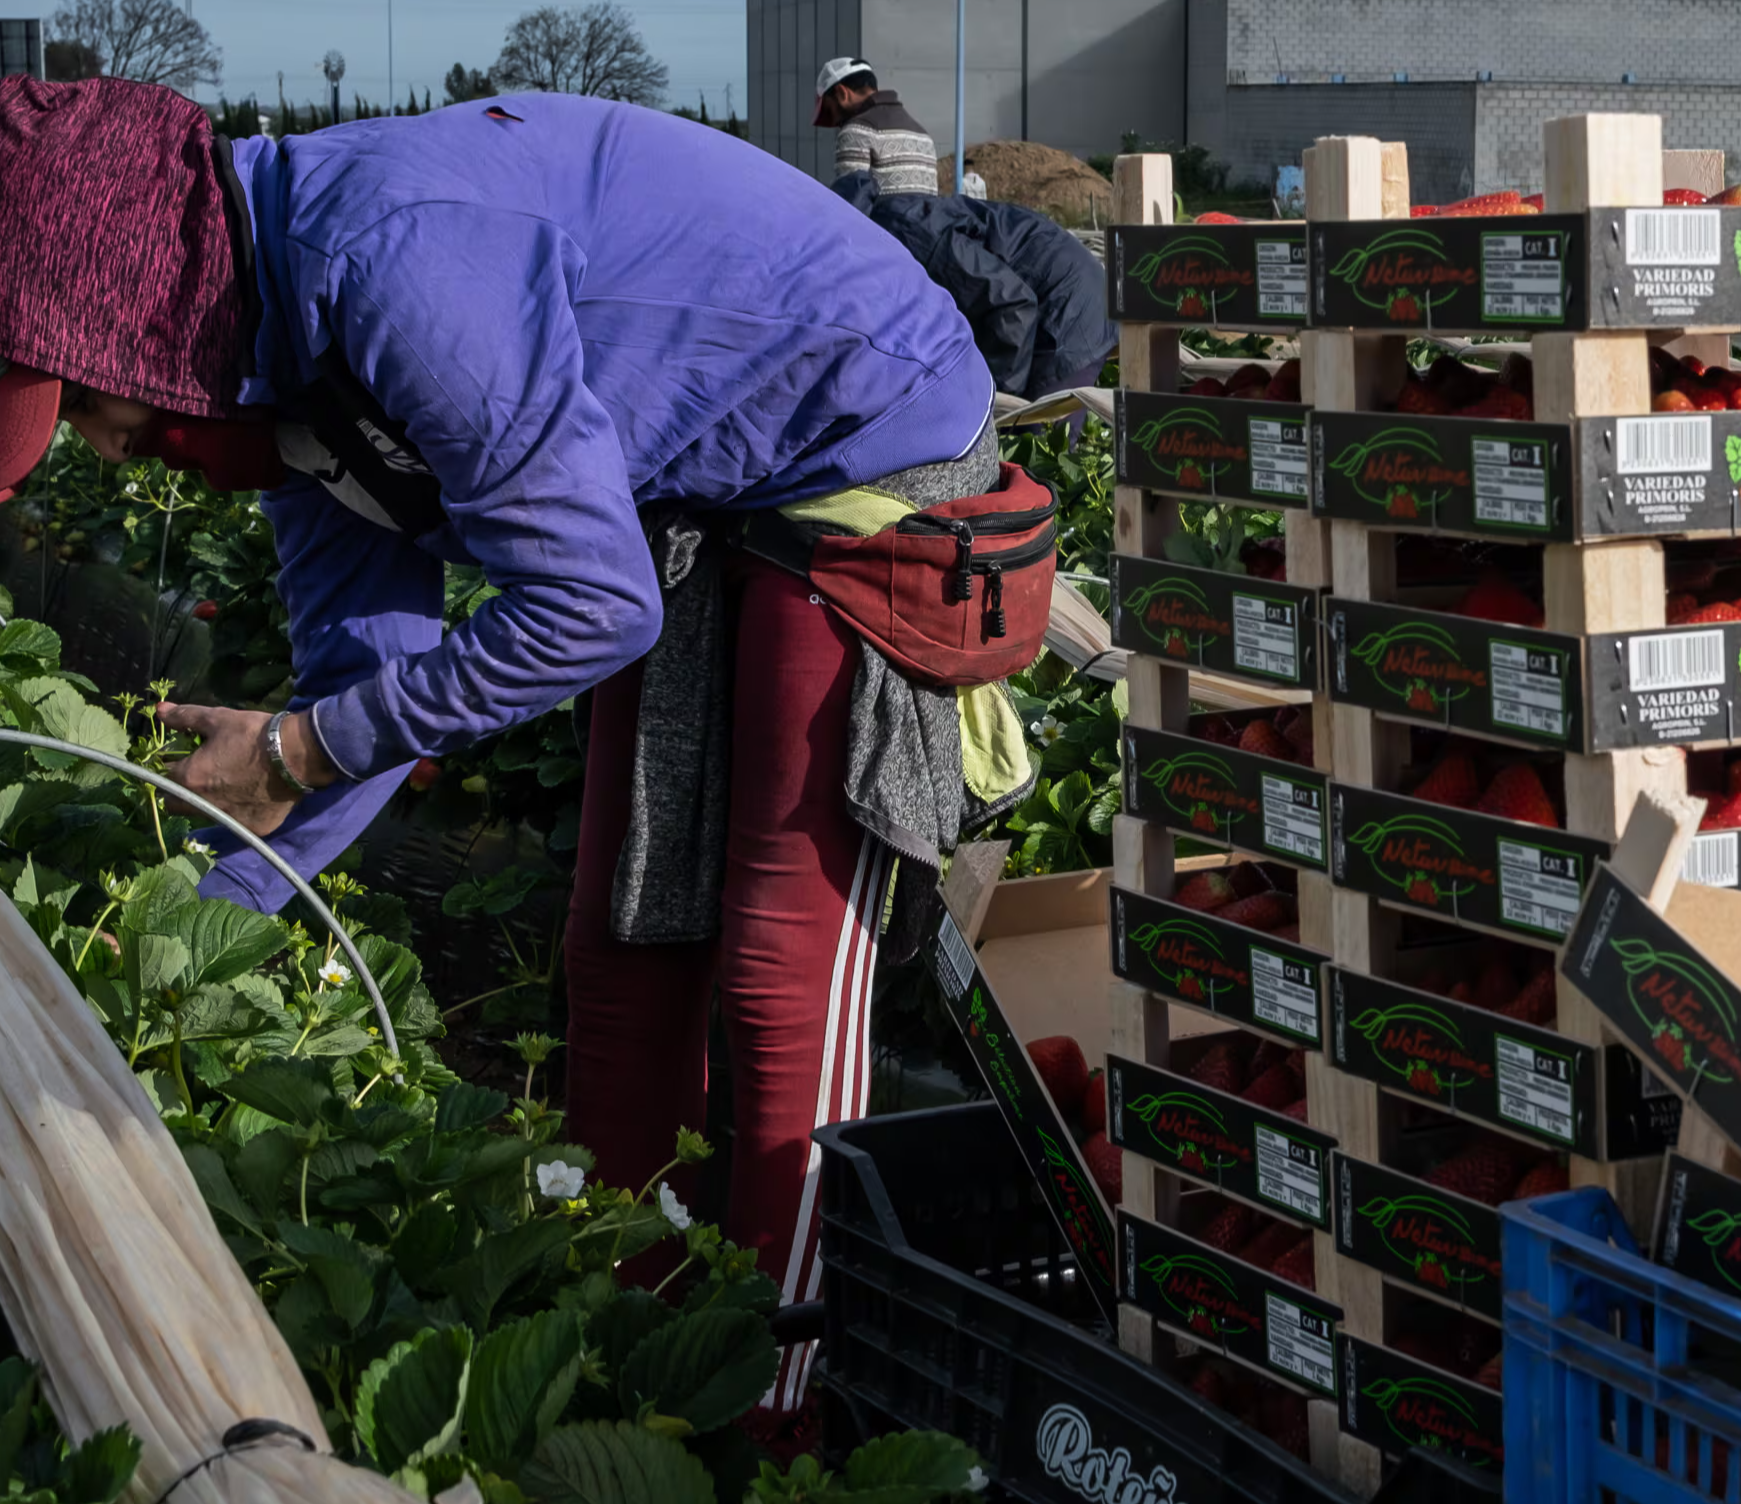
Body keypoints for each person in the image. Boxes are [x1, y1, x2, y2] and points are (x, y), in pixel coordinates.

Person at [0, 74, 1023, 1426]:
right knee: (617, 940)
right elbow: (362, 691)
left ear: (131, 316)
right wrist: (178, 930)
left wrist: (302, 748)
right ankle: (621, 1329)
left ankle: (782, 1402)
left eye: (70, 396)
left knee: (777, 955)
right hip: (684, 480)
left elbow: (586, 609)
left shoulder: (391, 263)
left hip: (859, 431)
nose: (96, 438)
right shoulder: (295, 382)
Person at [815, 61, 1111, 398]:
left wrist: (993, 404)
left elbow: (1010, 304)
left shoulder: (861, 142)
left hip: (1068, 314)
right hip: (1070, 294)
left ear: (841, 92)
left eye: (831, 110)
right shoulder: (917, 133)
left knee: (1031, 431)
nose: (834, 121)